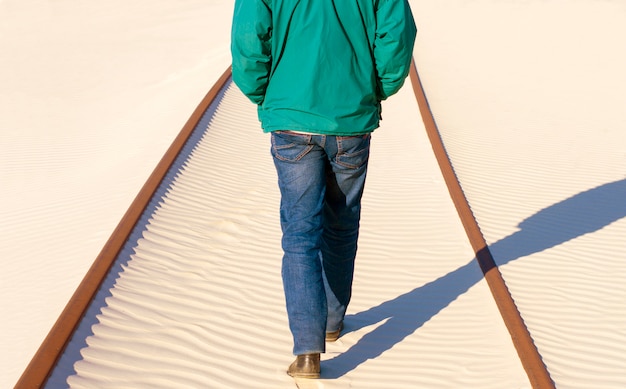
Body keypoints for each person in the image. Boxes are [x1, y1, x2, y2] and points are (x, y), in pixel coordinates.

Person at [231, 0, 416, 379]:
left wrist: (265, 94)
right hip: (351, 117)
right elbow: (397, 36)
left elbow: (249, 40)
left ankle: (307, 352)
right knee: (342, 223)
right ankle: (332, 321)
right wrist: (374, 88)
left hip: (290, 119)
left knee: (300, 234)